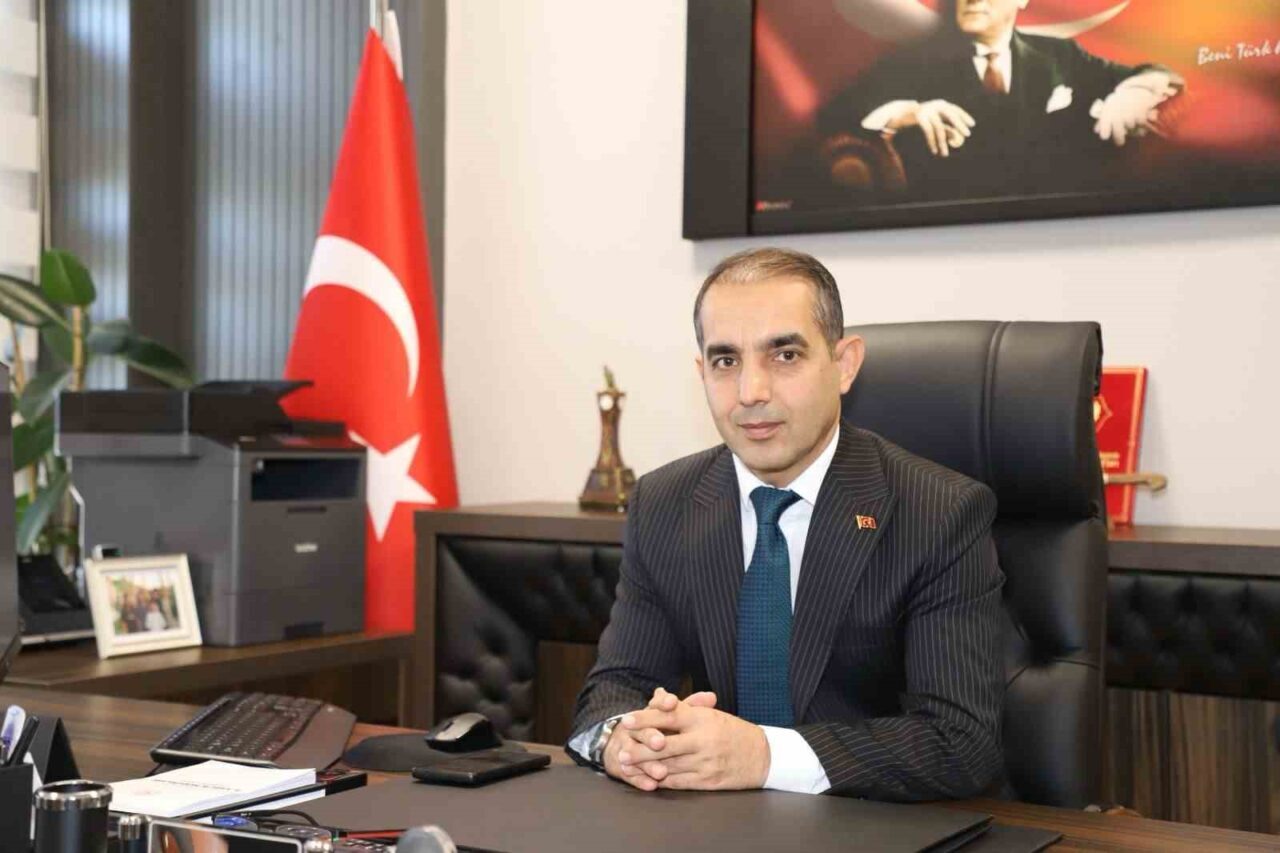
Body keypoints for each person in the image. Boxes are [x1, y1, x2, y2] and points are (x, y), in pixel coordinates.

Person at [567, 248, 1005, 800]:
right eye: (726, 361)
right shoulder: (664, 501)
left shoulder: (939, 511)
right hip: (714, 824)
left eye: (785, 355)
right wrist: (623, 740)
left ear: (844, 364)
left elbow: (959, 742)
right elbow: (613, 690)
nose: (751, 391)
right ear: (702, 373)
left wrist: (763, 755)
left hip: (874, 825)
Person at [817, 0, 1183, 198]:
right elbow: (839, 117)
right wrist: (907, 113)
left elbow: (1158, 73)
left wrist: (1133, 93)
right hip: (948, 229)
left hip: (1059, 227)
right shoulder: (914, 62)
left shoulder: (1058, 56)